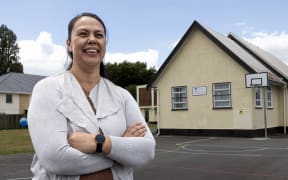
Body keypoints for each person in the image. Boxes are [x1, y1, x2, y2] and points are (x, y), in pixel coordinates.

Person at [28, 12, 156, 180]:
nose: (92, 39)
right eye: (83, 34)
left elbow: (147, 150)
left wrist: (101, 143)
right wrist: (121, 152)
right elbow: (56, 159)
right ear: (69, 44)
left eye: (99, 35)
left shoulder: (122, 95)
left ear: (104, 44)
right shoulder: (48, 89)